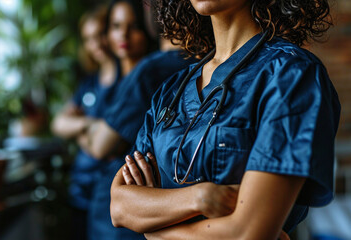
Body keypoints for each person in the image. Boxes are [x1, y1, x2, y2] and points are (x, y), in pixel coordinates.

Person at [110, 0, 341, 239]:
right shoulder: (171, 91)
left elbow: (247, 233)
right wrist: (202, 197)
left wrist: (153, 232)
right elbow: (119, 207)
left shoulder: (292, 76)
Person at [74, 0, 154, 239]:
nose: (124, 34)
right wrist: (92, 128)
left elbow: (100, 147)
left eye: (134, 26)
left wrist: (81, 133)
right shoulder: (114, 81)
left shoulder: (146, 77)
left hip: (128, 205)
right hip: (101, 200)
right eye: (116, 25)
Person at [50, 6, 119, 240]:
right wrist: (91, 126)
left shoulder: (128, 81)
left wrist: (78, 127)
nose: (96, 44)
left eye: (100, 34)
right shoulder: (89, 83)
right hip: (80, 190)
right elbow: (59, 123)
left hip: (109, 192)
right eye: (88, 38)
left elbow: (107, 146)